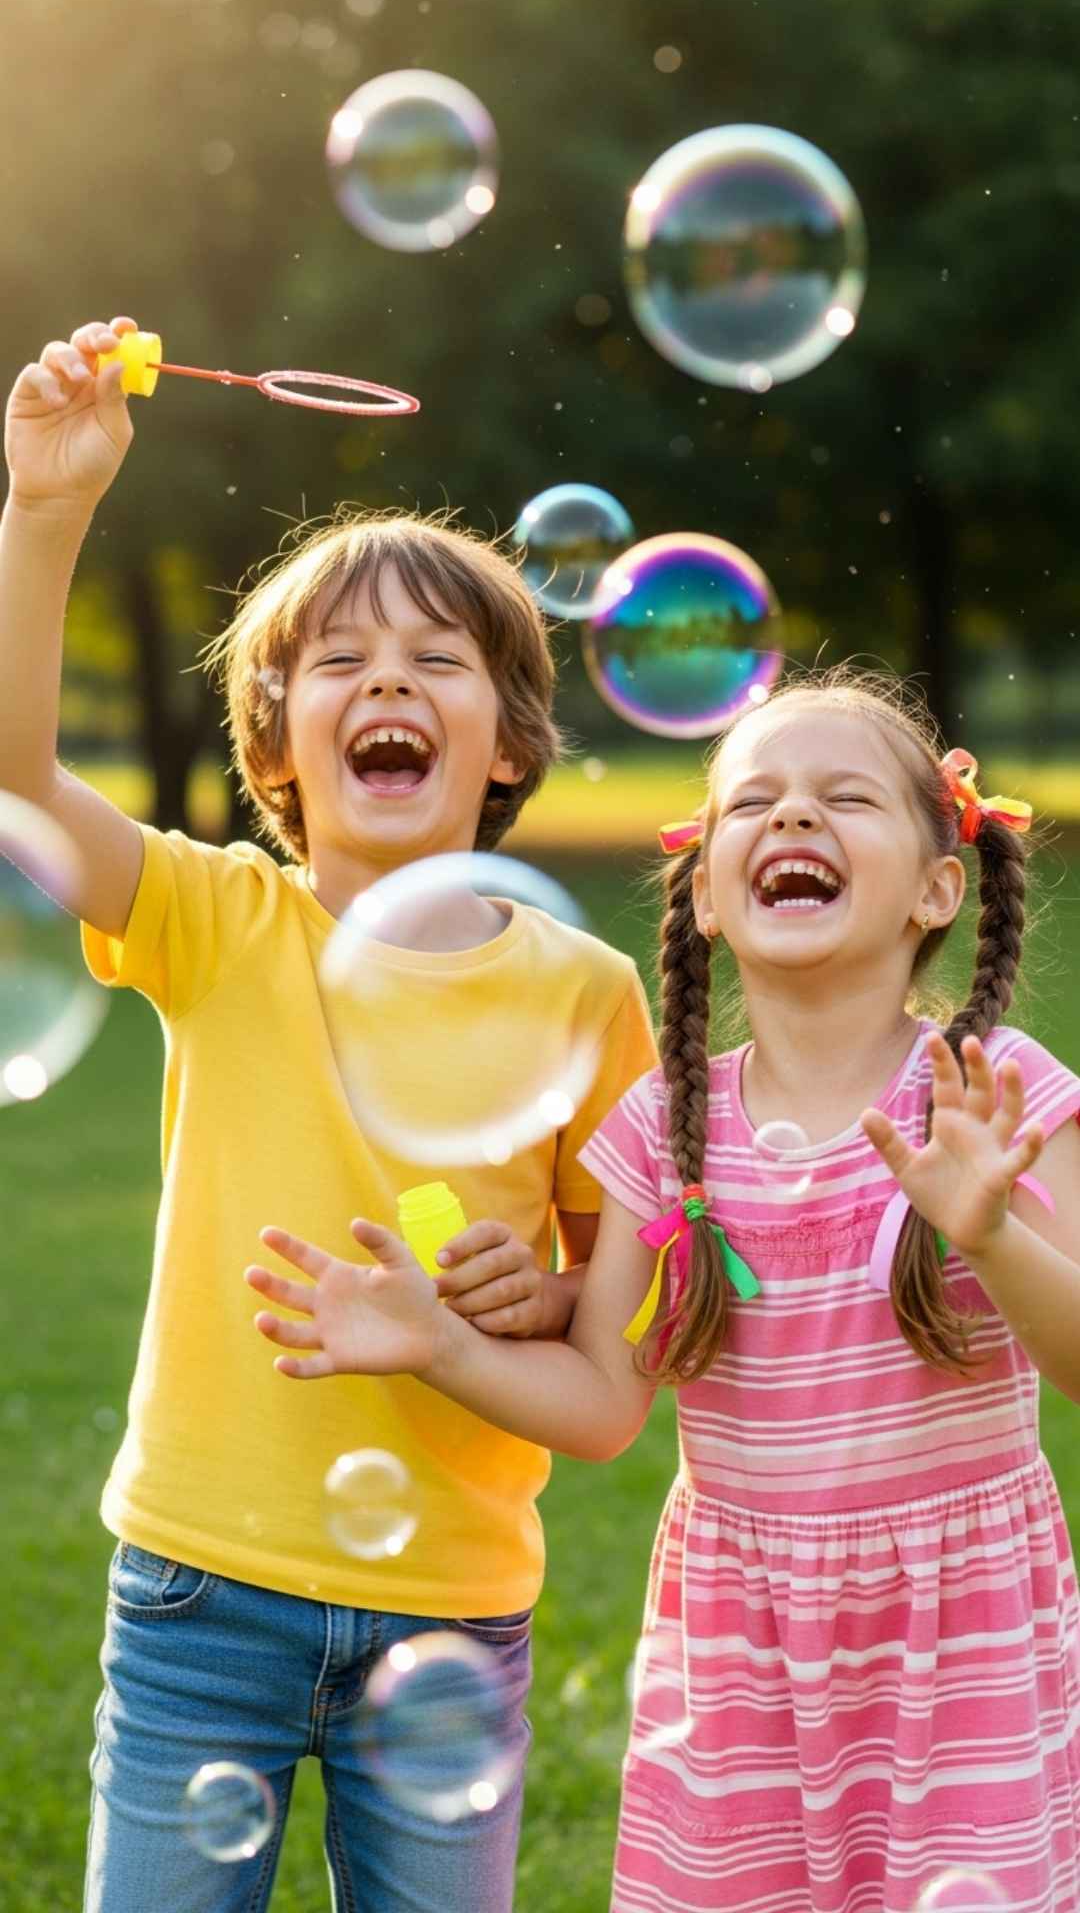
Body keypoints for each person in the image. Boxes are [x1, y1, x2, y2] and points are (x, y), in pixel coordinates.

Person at [0, 314, 657, 1913]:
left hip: (449, 1606)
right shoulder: (217, 919)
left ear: (508, 738)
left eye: (439, 663)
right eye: (345, 664)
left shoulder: (585, 999)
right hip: (198, 1590)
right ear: (280, 743)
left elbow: (607, 1372)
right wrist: (44, 513)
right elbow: (15, 786)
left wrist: (542, 1298)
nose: (390, 685)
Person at [247, 668, 1080, 1913]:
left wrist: (997, 1235)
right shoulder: (667, 1128)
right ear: (704, 895)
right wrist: (439, 1344)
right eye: (755, 803)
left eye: (843, 798)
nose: (792, 821)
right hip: (738, 1639)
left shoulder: (994, 1091)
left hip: (954, 1634)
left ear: (938, 887)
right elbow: (600, 1407)